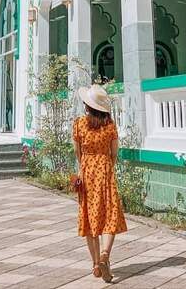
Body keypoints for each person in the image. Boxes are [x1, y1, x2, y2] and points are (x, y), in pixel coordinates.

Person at [72, 83, 127, 282]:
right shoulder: (110, 126)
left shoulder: (79, 124)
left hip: (87, 170)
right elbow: (114, 153)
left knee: (90, 217)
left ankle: (96, 264)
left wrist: (85, 165)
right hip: (105, 170)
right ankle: (105, 255)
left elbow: (77, 152)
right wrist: (105, 166)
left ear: (87, 106)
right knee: (109, 214)